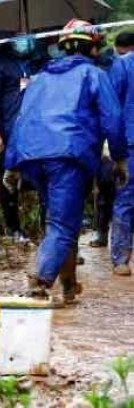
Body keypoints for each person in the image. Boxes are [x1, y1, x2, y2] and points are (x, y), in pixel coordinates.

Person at [4, 19, 129, 303]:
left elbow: (20, 120)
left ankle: (69, 285)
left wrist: (11, 165)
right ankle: (39, 279)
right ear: (93, 49)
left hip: (34, 157)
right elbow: (113, 118)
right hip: (68, 156)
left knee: (62, 220)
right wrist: (120, 158)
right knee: (62, 224)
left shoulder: (39, 78)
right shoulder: (93, 75)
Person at [0, 34, 41, 242]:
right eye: (17, 37)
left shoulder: (40, 62)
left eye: (26, 36)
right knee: (9, 179)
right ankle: (13, 228)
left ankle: (47, 228)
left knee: (45, 178)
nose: (23, 40)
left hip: (39, 130)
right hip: (10, 132)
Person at [108, 31, 134, 275]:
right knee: (126, 197)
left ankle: (121, 258)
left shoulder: (121, 65)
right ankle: (120, 257)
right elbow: (112, 106)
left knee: (126, 199)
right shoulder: (124, 66)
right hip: (129, 141)